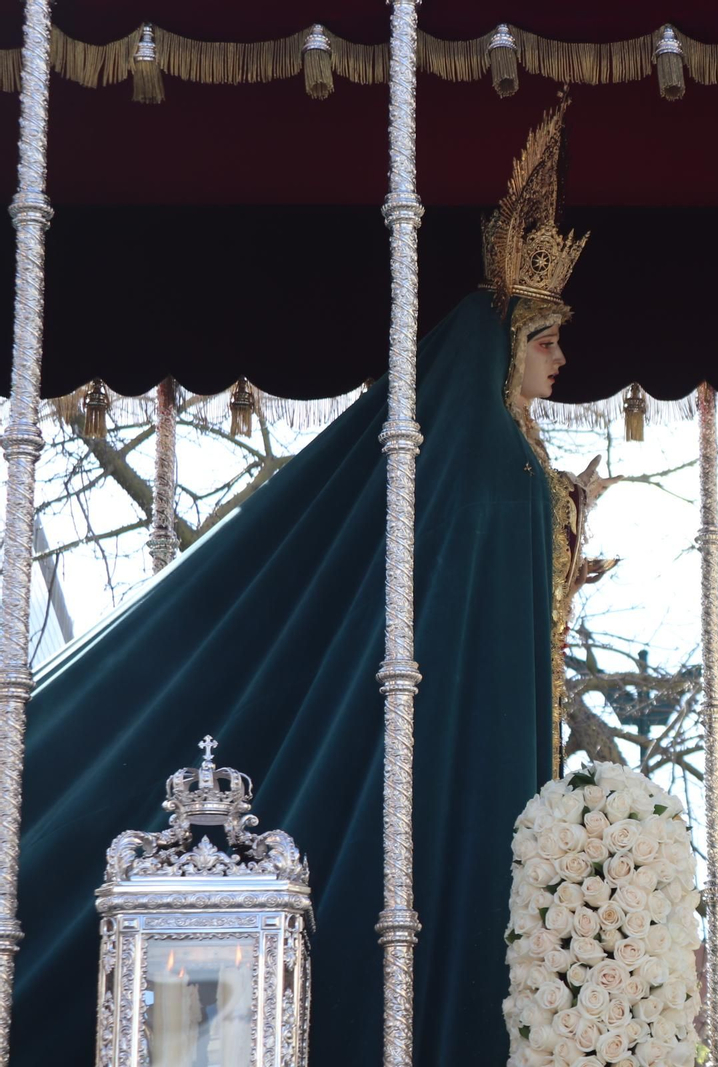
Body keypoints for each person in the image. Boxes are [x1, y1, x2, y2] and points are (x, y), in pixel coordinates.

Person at [11, 99, 608, 1065]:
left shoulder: (505, 466)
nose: (562, 358)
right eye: (547, 340)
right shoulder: (498, 467)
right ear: (505, 348)